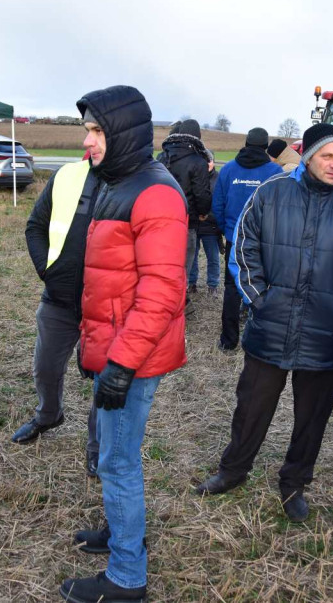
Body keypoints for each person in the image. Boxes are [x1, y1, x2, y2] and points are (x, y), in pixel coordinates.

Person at [195, 123, 333, 522]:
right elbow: (244, 247)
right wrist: (261, 300)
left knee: (311, 418)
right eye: (327, 157)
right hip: (271, 325)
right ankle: (232, 471)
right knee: (251, 406)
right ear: (308, 157)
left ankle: (294, 483)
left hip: (325, 334)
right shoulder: (271, 194)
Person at [59, 86, 188, 603]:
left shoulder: (154, 192)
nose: (87, 142)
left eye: (95, 131)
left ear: (122, 134)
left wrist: (120, 364)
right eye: (86, 130)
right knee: (114, 453)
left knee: (117, 461)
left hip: (132, 356)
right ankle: (119, 531)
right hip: (113, 346)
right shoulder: (115, 182)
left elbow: (161, 293)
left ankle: (128, 576)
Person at [13, 150, 101, 475]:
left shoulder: (135, 184)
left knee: (103, 383)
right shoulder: (66, 175)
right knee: (45, 367)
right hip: (58, 300)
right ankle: (49, 414)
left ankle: (97, 447)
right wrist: (46, 270)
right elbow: (35, 226)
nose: (89, 138)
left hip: (107, 307)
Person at [211, 127, 283, 351]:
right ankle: (259, 340)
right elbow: (279, 209)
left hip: (235, 239)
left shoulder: (229, 169)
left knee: (232, 288)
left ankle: (228, 341)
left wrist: (228, 231)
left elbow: (218, 205)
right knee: (262, 287)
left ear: (246, 143)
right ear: (265, 146)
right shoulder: (275, 171)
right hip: (263, 241)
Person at [156, 118, 211, 295]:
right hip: (186, 220)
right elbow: (201, 193)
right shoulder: (198, 161)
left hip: (158, 219)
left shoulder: (161, 157)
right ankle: (178, 302)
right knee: (183, 266)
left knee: (159, 263)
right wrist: (203, 212)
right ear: (197, 137)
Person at [188, 155, 222, 297]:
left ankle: (212, 285)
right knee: (193, 256)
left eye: (209, 161)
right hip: (195, 224)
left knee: (213, 257)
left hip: (211, 226)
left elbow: (221, 201)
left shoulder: (219, 179)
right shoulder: (192, 176)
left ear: (213, 162)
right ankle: (192, 283)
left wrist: (214, 220)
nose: (207, 164)